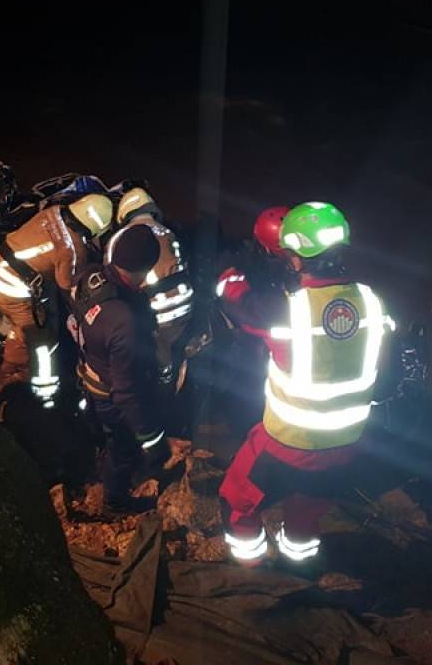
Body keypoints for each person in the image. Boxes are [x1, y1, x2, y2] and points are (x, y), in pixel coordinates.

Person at [217, 202, 397, 565]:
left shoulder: (288, 309)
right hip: (345, 444)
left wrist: (228, 272)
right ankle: (297, 566)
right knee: (307, 509)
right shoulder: (371, 301)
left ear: (294, 258)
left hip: (288, 440)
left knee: (236, 498)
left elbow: (236, 300)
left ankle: (249, 565)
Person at [0, 193, 113, 409]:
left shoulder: (54, 211)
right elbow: (67, 287)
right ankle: (44, 392)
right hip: (11, 287)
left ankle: (14, 366)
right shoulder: (72, 249)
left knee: (24, 322)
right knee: (41, 341)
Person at [70, 224, 169, 515]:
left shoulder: (91, 276)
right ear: (146, 267)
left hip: (90, 370)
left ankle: (105, 449)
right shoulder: (123, 322)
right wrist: (152, 438)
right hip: (110, 395)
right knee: (123, 446)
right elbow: (125, 393)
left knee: (113, 436)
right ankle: (115, 501)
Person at [105, 187, 193, 388]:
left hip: (154, 313)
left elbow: (113, 277)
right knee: (170, 348)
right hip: (185, 308)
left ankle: (160, 381)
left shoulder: (120, 239)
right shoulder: (169, 233)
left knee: (151, 350)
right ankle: (169, 378)